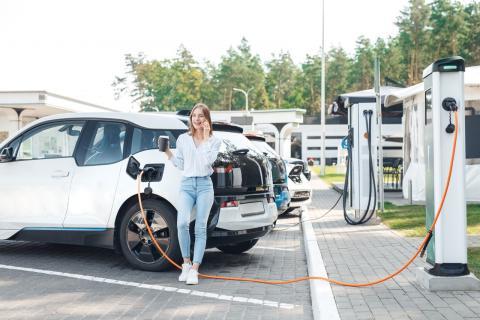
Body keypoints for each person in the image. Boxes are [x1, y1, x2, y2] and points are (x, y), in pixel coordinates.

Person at [162, 103, 221, 285]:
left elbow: (208, 162)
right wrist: (167, 152)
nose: (197, 119)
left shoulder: (214, 141)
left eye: (201, 116)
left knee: (200, 227)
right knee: (182, 224)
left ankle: (195, 269)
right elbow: (181, 164)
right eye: (194, 115)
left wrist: (204, 139)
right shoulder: (182, 139)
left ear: (207, 119)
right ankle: (186, 263)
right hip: (187, 185)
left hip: (204, 185)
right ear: (191, 119)